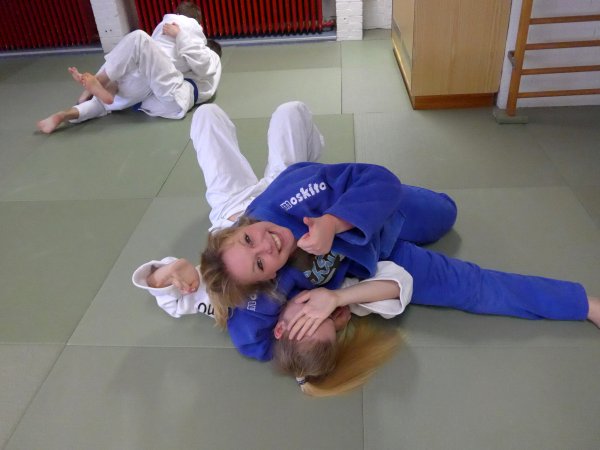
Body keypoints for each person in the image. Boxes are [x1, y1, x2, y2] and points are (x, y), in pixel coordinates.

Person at [199, 162, 600, 363]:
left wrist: (333, 222)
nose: (267, 246)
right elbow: (253, 340)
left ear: (241, 225)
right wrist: (323, 318)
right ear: (266, 279)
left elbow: (379, 180)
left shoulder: (290, 192)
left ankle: (405, 207)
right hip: (379, 264)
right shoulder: (262, 298)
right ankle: (585, 304)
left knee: (446, 214)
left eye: (249, 239)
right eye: (259, 263)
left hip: (379, 213)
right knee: (470, 287)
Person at [37, 1, 221, 133]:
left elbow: (203, 65)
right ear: (199, 24)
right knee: (109, 96)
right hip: (156, 93)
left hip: (168, 94)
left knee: (138, 40)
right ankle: (64, 115)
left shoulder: (197, 45)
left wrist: (181, 35)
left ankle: (98, 83)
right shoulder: (192, 47)